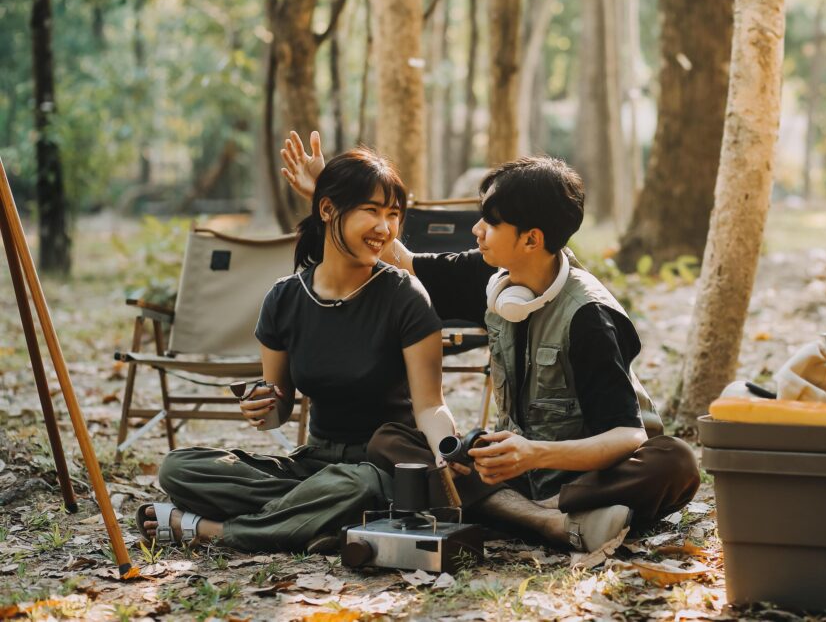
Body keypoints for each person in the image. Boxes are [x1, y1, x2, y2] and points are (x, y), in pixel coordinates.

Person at [281, 132, 700, 552]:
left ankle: (529, 511)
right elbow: (401, 260)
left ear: (531, 239)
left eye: (490, 222)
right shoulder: (490, 276)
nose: (477, 230)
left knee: (676, 462)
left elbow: (627, 437)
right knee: (392, 440)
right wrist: (330, 197)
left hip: (589, 469)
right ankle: (550, 520)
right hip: (513, 467)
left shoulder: (590, 317)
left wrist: (535, 454)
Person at [137, 147, 457, 552]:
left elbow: (430, 405)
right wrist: (263, 404)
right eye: (372, 211)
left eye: (394, 214)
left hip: (378, 466)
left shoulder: (405, 295)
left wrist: (448, 450)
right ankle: (312, 518)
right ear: (327, 210)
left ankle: (214, 530)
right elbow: (279, 409)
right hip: (311, 466)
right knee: (179, 468)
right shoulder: (285, 298)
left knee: (354, 486)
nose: (385, 227)